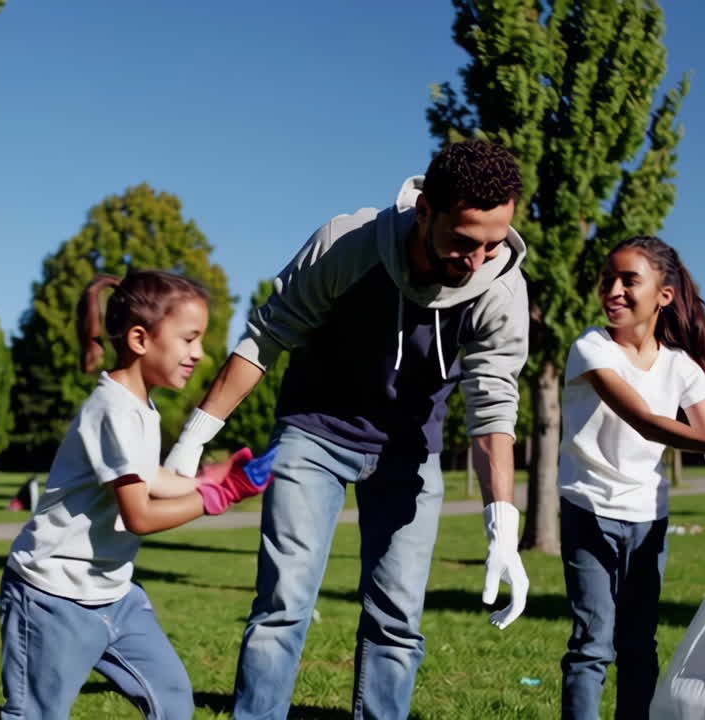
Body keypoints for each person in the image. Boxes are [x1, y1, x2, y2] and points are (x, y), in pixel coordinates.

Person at [163, 140, 531, 719]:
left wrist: (502, 524)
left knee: (398, 617)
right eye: (464, 241)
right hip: (315, 434)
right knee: (284, 602)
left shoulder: (501, 286)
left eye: (493, 241)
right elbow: (268, 335)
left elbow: (493, 410)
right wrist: (194, 439)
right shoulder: (349, 242)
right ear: (426, 210)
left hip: (409, 452)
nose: (479, 258)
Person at [0, 271, 276, 720]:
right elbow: (139, 515)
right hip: (51, 597)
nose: (199, 354)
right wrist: (216, 497)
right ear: (140, 338)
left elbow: (152, 478)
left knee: (172, 701)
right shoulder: (112, 410)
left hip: (114, 594)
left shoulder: (140, 406)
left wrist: (210, 477)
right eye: (189, 339)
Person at [557, 236, 705, 719]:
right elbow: (644, 419)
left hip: (648, 519)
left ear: (663, 295)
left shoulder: (681, 367)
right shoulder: (592, 348)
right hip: (588, 509)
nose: (614, 291)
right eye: (609, 280)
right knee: (593, 645)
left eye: (630, 280)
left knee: (640, 646)